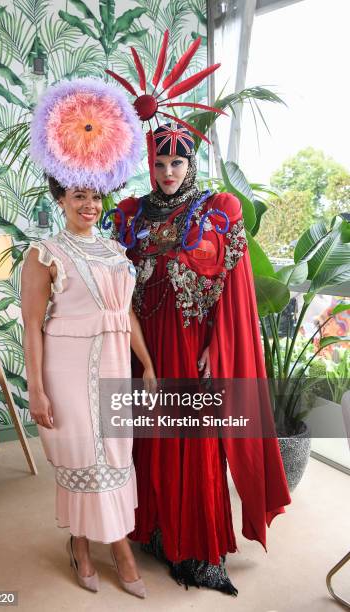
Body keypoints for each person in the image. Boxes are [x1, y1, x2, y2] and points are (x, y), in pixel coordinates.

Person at [111, 122, 292, 594]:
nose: (168, 172)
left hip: (193, 347)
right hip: (144, 348)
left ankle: (195, 548)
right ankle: (154, 529)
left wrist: (219, 344)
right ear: (149, 167)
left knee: (194, 443)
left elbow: (236, 289)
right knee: (149, 440)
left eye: (176, 163)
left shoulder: (216, 211)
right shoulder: (130, 216)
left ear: (190, 164)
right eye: (159, 163)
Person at [21, 77, 155, 598]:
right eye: (79, 195)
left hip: (116, 365)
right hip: (68, 368)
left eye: (96, 196)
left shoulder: (115, 251)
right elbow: (32, 325)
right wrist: (35, 389)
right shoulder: (43, 254)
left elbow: (126, 315)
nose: (89, 205)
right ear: (61, 197)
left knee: (116, 456)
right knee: (83, 455)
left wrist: (144, 363)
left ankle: (96, 542)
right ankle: (96, 546)